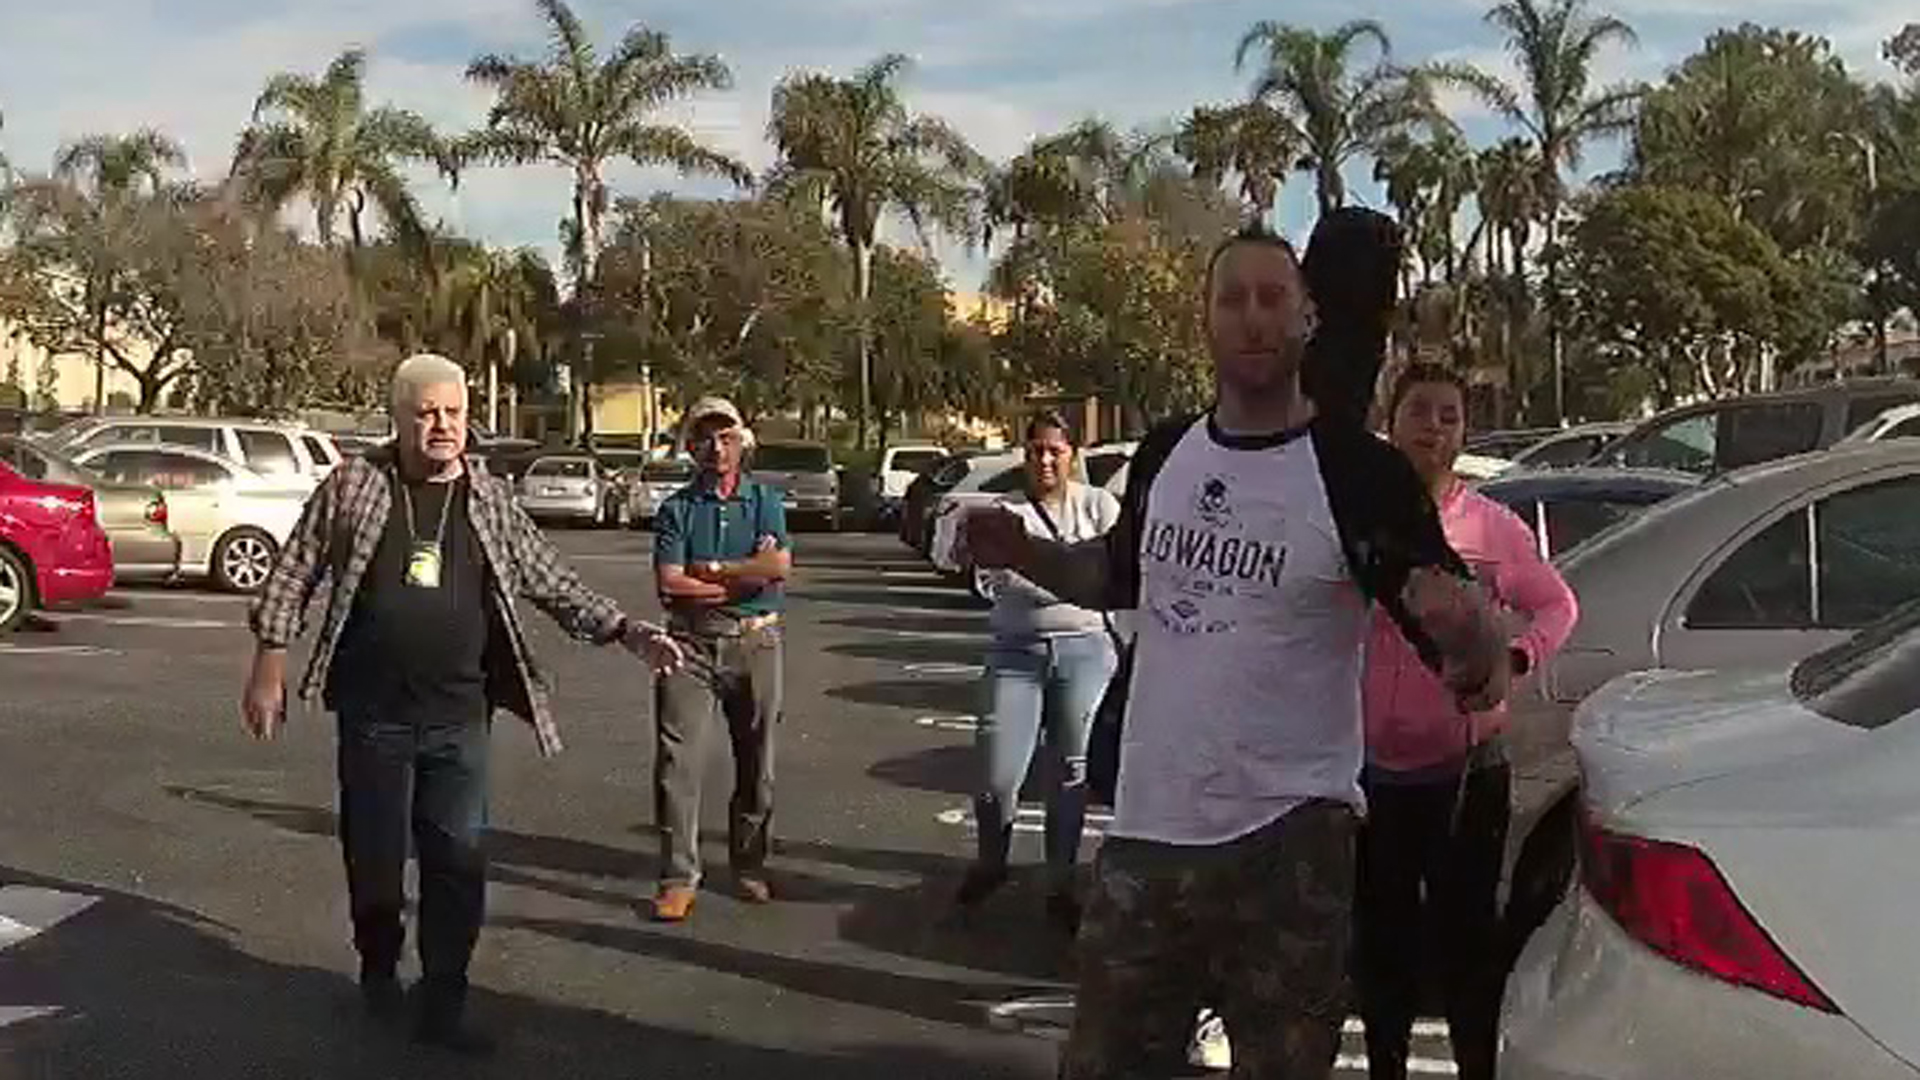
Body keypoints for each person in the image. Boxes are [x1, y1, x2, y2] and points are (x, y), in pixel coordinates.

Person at [965, 222, 1512, 1080]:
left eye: (1272, 298)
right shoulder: (1166, 453)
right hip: (1151, 837)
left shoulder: (1357, 474)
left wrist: (1470, 634)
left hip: (1290, 847)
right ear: (1206, 322)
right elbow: (1116, 575)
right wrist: (1021, 549)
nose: (1252, 318)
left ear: (1306, 318)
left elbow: (1459, 637)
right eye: (1232, 299)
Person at [240, 353, 682, 1056]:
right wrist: (269, 660)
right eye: (427, 413)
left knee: (458, 861)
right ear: (400, 417)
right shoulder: (356, 484)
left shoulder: (487, 497)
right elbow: (295, 570)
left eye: (453, 412)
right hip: (374, 714)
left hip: (459, 718)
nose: (443, 426)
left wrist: (626, 630)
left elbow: (551, 579)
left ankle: (444, 998)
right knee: (376, 860)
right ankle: (379, 966)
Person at [1356, 364, 1579, 1080]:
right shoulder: (1358, 524)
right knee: (1380, 945)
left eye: (1449, 416)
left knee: (1466, 952)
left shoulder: (1489, 527)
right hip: (1368, 776)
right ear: (1390, 422)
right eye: (1419, 412)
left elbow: (1557, 606)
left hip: (1466, 774)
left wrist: (1513, 659)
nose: (1434, 428)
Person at [954, 411, 1122, 933]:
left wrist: (1052, 574)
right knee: (997, 772)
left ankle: (1061, 882)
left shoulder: (1098, 506)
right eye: (1035, 451)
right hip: (1016, 649)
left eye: (1055, 450)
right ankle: (992, 860)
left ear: (1073, 454)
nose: (1045, 460)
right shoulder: (1006, 512)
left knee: (1071, 771)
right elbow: (992, 579)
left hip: (1085, 649)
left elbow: (1112, 573)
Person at [649, 396, 792, 923]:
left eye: (727, 436)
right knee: (677, 763)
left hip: (756, 643)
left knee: (758, 759)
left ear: (743, 442)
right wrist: (741, 576)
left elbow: (777, 569)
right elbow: (670, 582)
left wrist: (710, 571)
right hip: (690, 645)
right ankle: (677, 875)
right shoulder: (677, 509)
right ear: (691, 446)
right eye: (706, 437)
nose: (717, 447)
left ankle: (750, 863)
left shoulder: (765, 503)